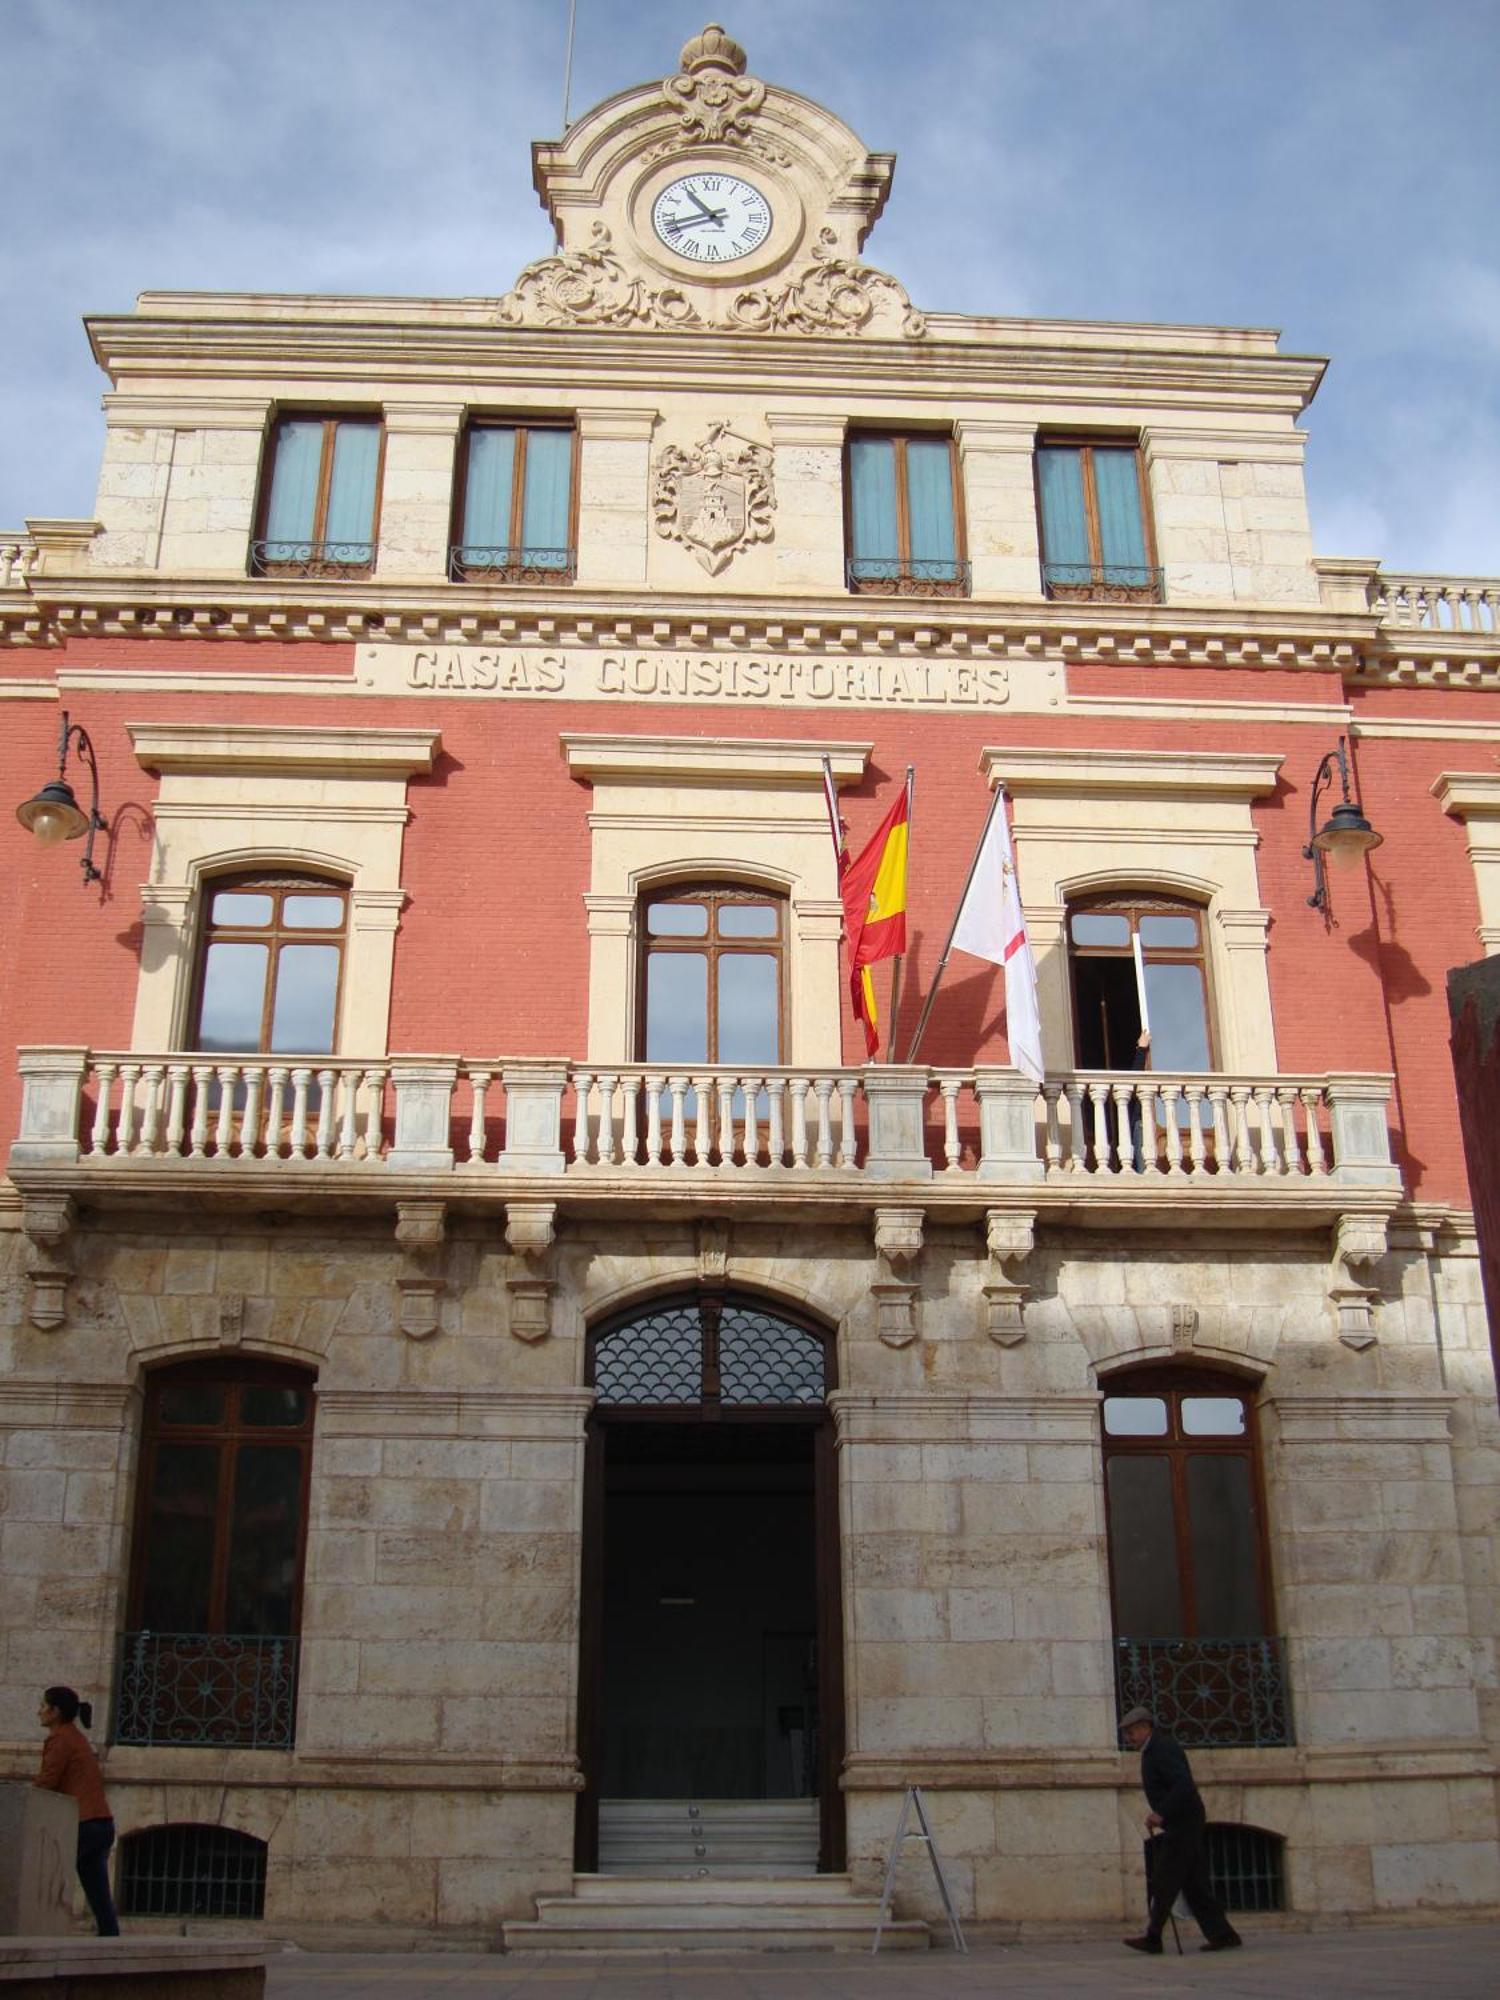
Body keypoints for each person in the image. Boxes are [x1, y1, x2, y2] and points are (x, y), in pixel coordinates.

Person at [1119, 1704, 1240, 1955]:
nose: (1128, 1738)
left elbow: (1183, 1784)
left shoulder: (1162, 1748)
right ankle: (1223, 1935)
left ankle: (1153, 1938)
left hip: (1184, 1822)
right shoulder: (1152, 1750)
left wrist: (1161, 1812)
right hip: (1181, 1821)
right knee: (1194, 1883)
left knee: (1165, 1879)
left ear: (1145, 1727)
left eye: (1131, 1732)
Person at [34, 1685, 120, 1937]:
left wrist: (23, 1797)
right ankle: (110, 1938)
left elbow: (48, 1780)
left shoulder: (60, 1739)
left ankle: (41, 1931)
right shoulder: (75, 1737)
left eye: (43, 1706)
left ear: (55, 1712)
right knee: (97, 1890)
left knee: (46, 1874)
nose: (38, 1712)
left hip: (84, 1823)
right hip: (100, 1823)